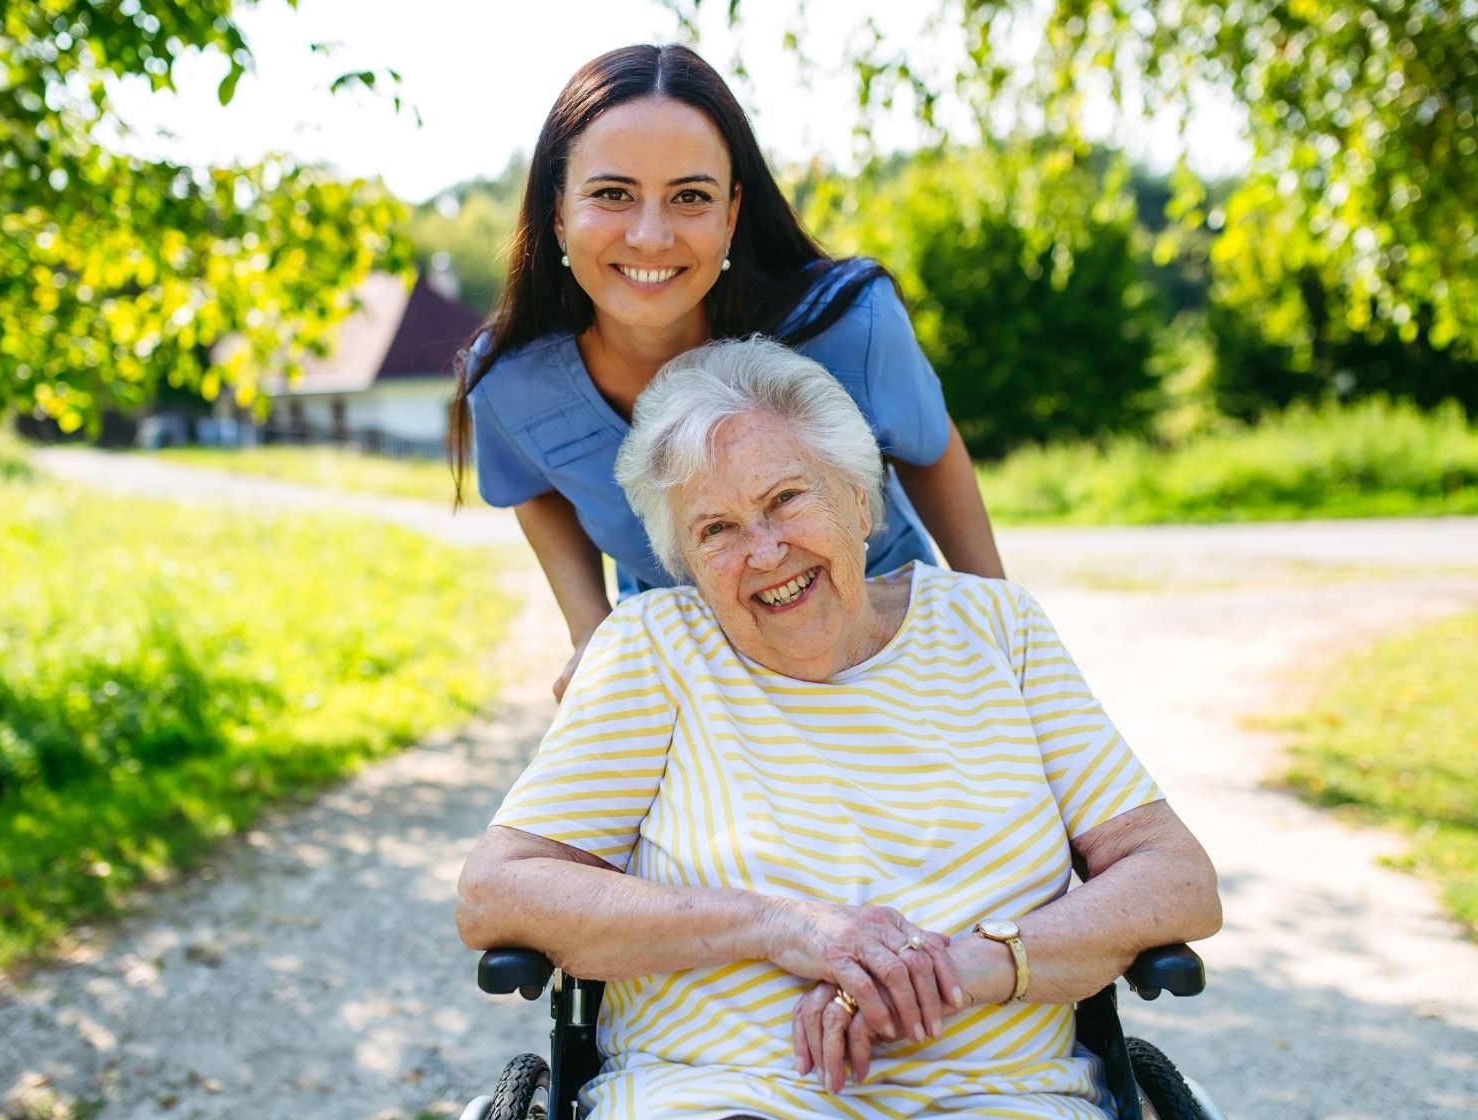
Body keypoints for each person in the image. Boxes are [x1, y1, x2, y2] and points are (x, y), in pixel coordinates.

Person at [458, 339, 1222, 1120]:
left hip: (1006, 1101)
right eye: (716, 530)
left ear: (860, 501)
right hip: (719, 1099)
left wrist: (956, 969)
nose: (764, 551)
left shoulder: (997, 628)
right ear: (683, 559)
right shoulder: (654, 650)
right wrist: (780, 927)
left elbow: (1176, 878)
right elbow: (498, 893)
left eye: (787, 499)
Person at [449, 44, 1005, 700]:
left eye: (690, 196)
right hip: (693, 682)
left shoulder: (850, 326)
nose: (651, 236)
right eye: (612, 194)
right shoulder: (512, 382)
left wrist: (998, 627)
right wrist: (591, 630)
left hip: (889, 653)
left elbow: (931, 451)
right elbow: (533, 484)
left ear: (732, 213)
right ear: (559, 214)